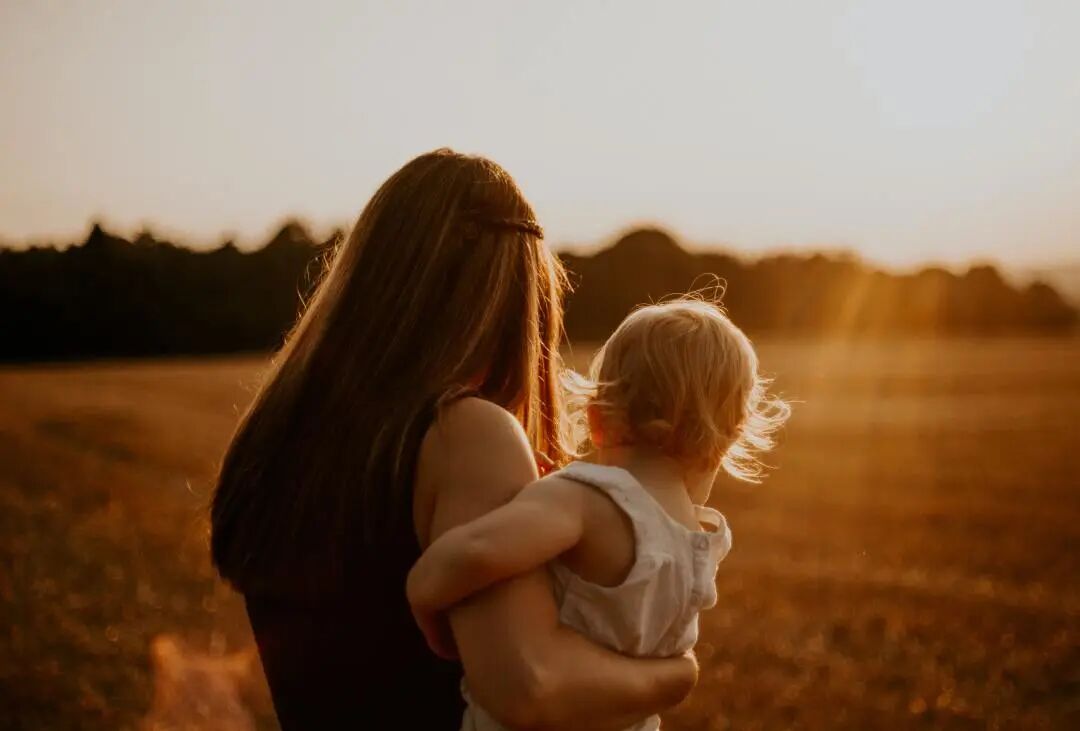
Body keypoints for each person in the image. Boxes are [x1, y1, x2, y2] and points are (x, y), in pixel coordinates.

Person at [210, 149, 699, 729]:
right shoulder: (466, 436)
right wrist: (672, 676)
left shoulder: (280, 434)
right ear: (519, 297)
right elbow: (529, 688)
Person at [408, 298, 791, 730]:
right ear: (730, 437)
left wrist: (423, 590)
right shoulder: (702, 545)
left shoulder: (588, 499)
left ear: (597, 418)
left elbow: (479, 548)